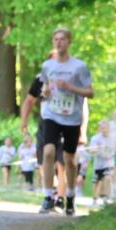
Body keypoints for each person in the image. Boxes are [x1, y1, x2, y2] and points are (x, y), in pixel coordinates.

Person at [35, 28, 93, 216]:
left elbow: (90, 92)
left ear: (69, 42)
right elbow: (44, 88)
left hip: (72, 118)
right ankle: (47, 196)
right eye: (56, 39)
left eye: (62, 39)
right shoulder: (47, 66)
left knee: (69, 159)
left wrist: (70, 87)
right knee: (48, 152)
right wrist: (45, 93)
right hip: (52, 115)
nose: (59, 42)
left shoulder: (79, 67)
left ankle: (70, 196)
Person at [20, 52, 67, 209]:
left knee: (62, 164)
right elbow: (29, 100)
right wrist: (24, 121)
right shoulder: (40, 79)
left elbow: (81, 103)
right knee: (44, 160)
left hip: (65, 124)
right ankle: (50, 194)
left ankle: (60, 199)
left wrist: (82, 127)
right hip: (46, 124)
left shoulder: (70, 77)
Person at [89, 120, 115, 207]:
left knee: (108, 178)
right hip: (98, 164)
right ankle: (95, 199)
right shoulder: (95, 138)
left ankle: (105, 198)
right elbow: (92, 150)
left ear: (109, 128)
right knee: (97, 182)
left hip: (109, 162)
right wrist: (94, 150)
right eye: (102, 128)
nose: (104, 130)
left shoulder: (113, 138)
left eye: (105, 128)